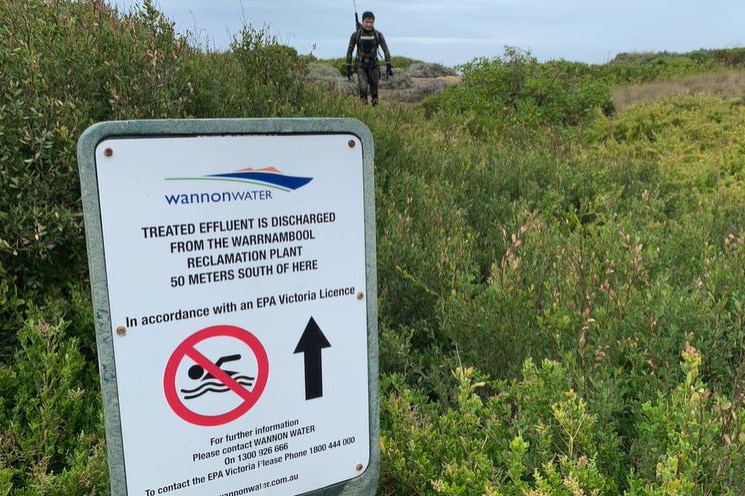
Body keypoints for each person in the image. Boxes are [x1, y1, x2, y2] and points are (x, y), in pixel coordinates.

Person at [345, 11, 393, 106]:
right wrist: (348, 68)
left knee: (374, 92)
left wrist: (388, 66)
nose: (369, 24)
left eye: (371, 22)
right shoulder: (356, 35)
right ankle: (364, 112)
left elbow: (386, 50)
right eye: (367, 22)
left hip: (374, 66)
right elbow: (349, 51)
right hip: (361, 66)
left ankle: (375, 113)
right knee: (363, 89)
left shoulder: (378, 35)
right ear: (362, 22)